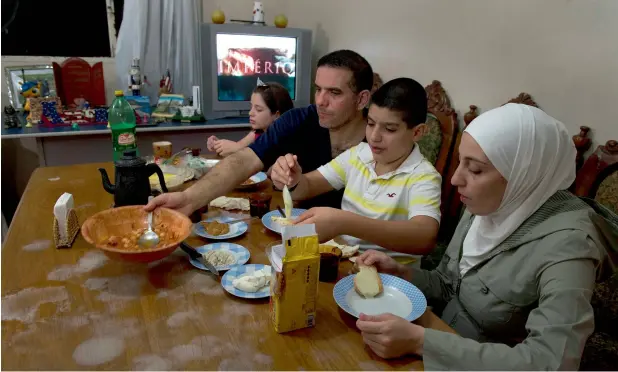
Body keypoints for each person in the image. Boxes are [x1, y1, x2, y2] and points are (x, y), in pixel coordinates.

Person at [354, 103, 610, 370]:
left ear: (522, 175)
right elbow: (450, 284)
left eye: (475, 169)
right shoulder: (492, 203)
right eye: (460, 163)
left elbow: (552, 362)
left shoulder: (571, 245)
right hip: (438, 338)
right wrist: (401, 274)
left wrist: (421, 343)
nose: (455, 179)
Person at [145, 50, 373, 215]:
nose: (321, 101)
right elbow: (244, 160)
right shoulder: (298, 119)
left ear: (362, 99)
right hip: (297, 234)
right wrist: (188, 199)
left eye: (334, 92)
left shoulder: (381, 143)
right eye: (318, 89)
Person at [271, 78, 441, 258]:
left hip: (388, 276)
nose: (374, 137)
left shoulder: (423, 176)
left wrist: (343, 223)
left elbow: (424, 237)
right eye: (371, 123)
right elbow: (307, 186)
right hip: (341, 260)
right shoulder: (359, 154)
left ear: (417, 132)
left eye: (389, 129)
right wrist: (292, 178)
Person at [207, 82, 294, 157]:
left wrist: (237, 149)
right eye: (251, 107)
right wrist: (218, 145)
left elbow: (264, 162)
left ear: (277, 115)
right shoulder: (256, 133)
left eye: (258, 109)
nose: (250, 113)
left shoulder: (286, 141)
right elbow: (237, 147)